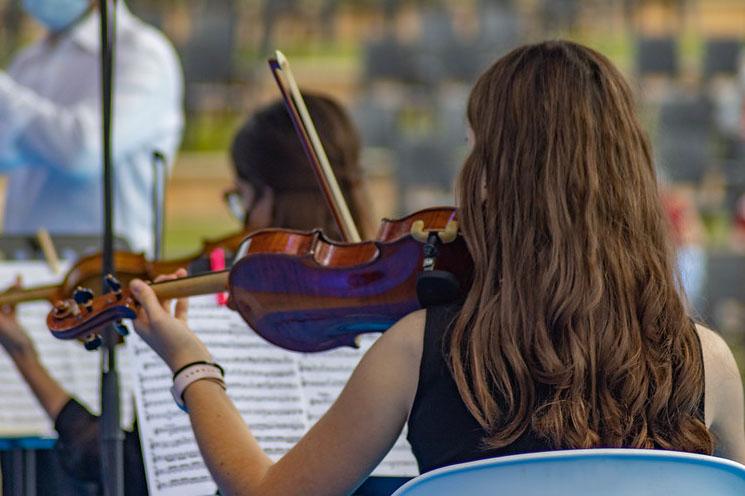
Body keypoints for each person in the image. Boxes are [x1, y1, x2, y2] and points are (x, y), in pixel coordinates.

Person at [131, 41, 745, 495]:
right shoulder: (709, 362)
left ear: (496, 181)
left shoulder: (417, 351)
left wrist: (191, 363)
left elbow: (267, 494)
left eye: (478, 147)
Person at [0, 93, 373, 494]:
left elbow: (116, 465)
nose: (243, 223)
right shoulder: (385, 297)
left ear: (269, 197)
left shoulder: (221, 308)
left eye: (242, 199)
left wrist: (25, 358)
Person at [0, 0, 183, 255]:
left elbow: (84, 151)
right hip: (25, 265)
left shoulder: (142, 53)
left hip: (107, 274)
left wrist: (5, 95)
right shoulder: (28, 61)